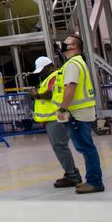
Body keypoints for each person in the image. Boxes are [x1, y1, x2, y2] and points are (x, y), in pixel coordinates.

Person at [56, 33, 104, 194]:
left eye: (66, 43)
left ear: (74, 47)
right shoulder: (79, 62)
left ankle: (95, 182)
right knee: (86, 147)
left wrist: (62, 108)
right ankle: (93, 180)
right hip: (83, 111)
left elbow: (71, 87)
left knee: (86, 147)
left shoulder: (72, 64)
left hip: (78, 113)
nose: (62, 45)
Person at [27, 55, 81, 187]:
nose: (41, 73)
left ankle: (71, 175)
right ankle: (72, 172)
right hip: (54, 116)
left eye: (43, 70)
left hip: (57, 116)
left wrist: (36, 95)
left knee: (60, 146)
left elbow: (50, 94)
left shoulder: (55, 76)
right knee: (60, 146)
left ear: (50, 66)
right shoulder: (50, 78)